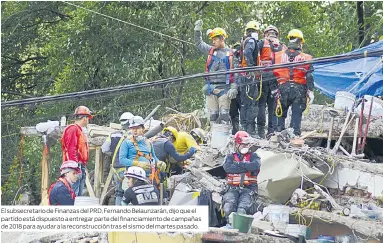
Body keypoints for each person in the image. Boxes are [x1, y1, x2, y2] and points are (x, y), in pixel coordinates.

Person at [273, 29, 314, 136]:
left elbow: (271, 74)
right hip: (299, 90)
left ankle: (279, 135)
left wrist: (274, 89)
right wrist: (311, 91)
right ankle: (294, 136)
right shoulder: (307, 58)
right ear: (300, 42)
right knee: (296, 115)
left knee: (280, 115)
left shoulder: (276, 56)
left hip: (282, 89)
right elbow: (309, 76)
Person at [194, 19, 237, 124]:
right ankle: (214, 138)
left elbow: (236, 73)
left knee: (224, 117)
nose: (213, 42)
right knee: (213, 117)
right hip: (211, 88)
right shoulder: (211, 51)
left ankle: (224, 138)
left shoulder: (231, 54)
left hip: (225, 89)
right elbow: (199, 43)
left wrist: (234, 88)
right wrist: (197, 30)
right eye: (212, 40)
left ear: (222, 39)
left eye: (215, 39)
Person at [221, 131, 261, 228]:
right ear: (236, 144)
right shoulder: (230, 156)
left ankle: (240, 229)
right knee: (228, 207)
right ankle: (229, 227)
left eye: (246, 144)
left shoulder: (254, 156)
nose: (245, 146)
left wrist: (238, 165)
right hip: (232, 188)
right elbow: (228, 168)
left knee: (242, 210)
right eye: (242, 144)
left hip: (248, 189)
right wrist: (247, 167)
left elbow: (255, 166)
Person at [119, 116, 166, 185]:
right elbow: (122, 160)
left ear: (143, 129)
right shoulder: (127, 142)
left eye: (137, 128)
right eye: (132, 128)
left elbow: (153, 157)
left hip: (148, 178)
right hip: (133, 179)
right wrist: (138, 163)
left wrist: (159, 162)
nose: (135, 130)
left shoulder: (148, 143)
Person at [257, 25, 286, 138]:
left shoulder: (261, 42)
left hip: (263, 77)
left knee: (261, 105)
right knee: (273, 105)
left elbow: (251, 54)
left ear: (265, 34)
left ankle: (260, 131)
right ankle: (271, 132)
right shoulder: (283, 46)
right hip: (276, 78)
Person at [101, 112, 134, 205]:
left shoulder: (113, 135)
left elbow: (104, 149)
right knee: (130, 193)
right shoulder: (133, 136)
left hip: (116, 169)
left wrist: (114, 153)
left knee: (119, 193)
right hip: (129, 169)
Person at [61, 105, 92, 196]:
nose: (88, 120)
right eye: (88, 118)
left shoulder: (78, 130)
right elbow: (71, 149)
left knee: (78, 195)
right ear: (85, 118)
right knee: (74, 194)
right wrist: (75, 169)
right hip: (74, 166)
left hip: (78, 165)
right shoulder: (73, 129)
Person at [239, 21, 261, 136]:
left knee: (244, 104)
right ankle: (250, 131)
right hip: (249, 77)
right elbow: (248, 53)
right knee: (252, 104)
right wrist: (252, 69)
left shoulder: (244, 41)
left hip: (243, 77)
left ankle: (244, 129)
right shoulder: (251, 41)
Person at [229, 42, 242, 135]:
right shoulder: (231, 59)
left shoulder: (243, 58)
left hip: (241, 89)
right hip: (234, 89)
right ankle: (235, 131)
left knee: (237, 113)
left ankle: (238, 131)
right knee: (234, 113)